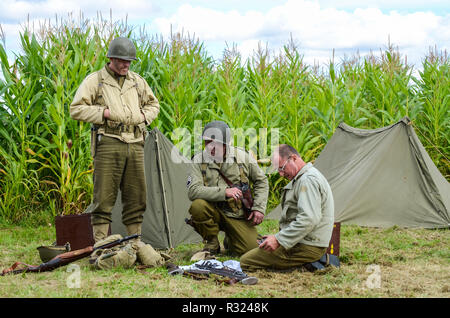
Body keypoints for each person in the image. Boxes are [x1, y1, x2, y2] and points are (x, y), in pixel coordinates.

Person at [70, 37, 160, 242]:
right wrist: (104, 113)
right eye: (121, 60)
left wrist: (145, 117)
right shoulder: (96, 80)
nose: (125, 65)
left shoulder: (137, 82)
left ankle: (134, 243)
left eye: (129, 61)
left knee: (136, 197)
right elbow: (76, 109)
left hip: (136, 142)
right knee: (104, 197)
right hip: (109, 141)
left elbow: (154, 105)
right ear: (110, 58)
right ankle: (102, 244)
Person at [240, 144, 334, 271]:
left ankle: (308, 264)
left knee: (246, 262)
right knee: (255, 247)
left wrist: (278, 240)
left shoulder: (307, 180)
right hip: (303, 241)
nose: (281, 174)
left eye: (282, 168)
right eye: (278, 170)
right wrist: (278, 236)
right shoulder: (302, 178)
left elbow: (308, 219)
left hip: (308, 246)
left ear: (294, 158)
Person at [186, 120, 269, 256]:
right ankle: (212, 242)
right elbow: (193, 190)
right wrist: (224, 192)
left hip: (236, 214)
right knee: (198, 206)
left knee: (250, 250)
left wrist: (259, 208)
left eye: (216, 144)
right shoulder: (198, 160)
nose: (211, 148)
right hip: (212, 211)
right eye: (207, 143)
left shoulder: (242, 157)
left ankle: (231, 239)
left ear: (225, 145)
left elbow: (261, 181)